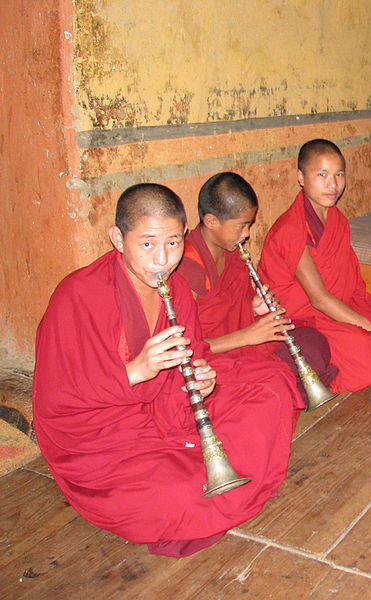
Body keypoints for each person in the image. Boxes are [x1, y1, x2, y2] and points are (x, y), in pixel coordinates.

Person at [33, 183, 303, 557]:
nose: (162, 259)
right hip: (102, 434)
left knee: (272, 387)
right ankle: (203, 480)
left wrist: (200, 376)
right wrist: (133, 372)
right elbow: (57, 396)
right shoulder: (77, 296)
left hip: (168, 408)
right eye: (147, 244)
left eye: (174, 243)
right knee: (182, 493)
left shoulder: (174, 288)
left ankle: (214, 472)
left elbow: (193, 354)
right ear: (118, 238)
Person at [259, 139, 371, 392]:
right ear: (301, 177)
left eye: (339, 174)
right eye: (322, 175)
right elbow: (318, 299)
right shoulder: (291, 230)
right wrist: (368, 326)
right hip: (306, 317)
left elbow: (346, 282)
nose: (333, 184)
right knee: (365, 357)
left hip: (343, 302)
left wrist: (365, 320)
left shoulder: (335, 219)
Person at [176, 172, 338, 404]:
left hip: (245, 346)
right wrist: (248, 336)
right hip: (211, 361)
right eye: (241, 226)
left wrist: (253, 307)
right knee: (273, 381)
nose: (247, 234)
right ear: (211, 221)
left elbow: (233, 308)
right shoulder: (188, 268)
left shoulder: (230, 251)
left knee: (313, 341)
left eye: (249, 225)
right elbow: (188, 347)